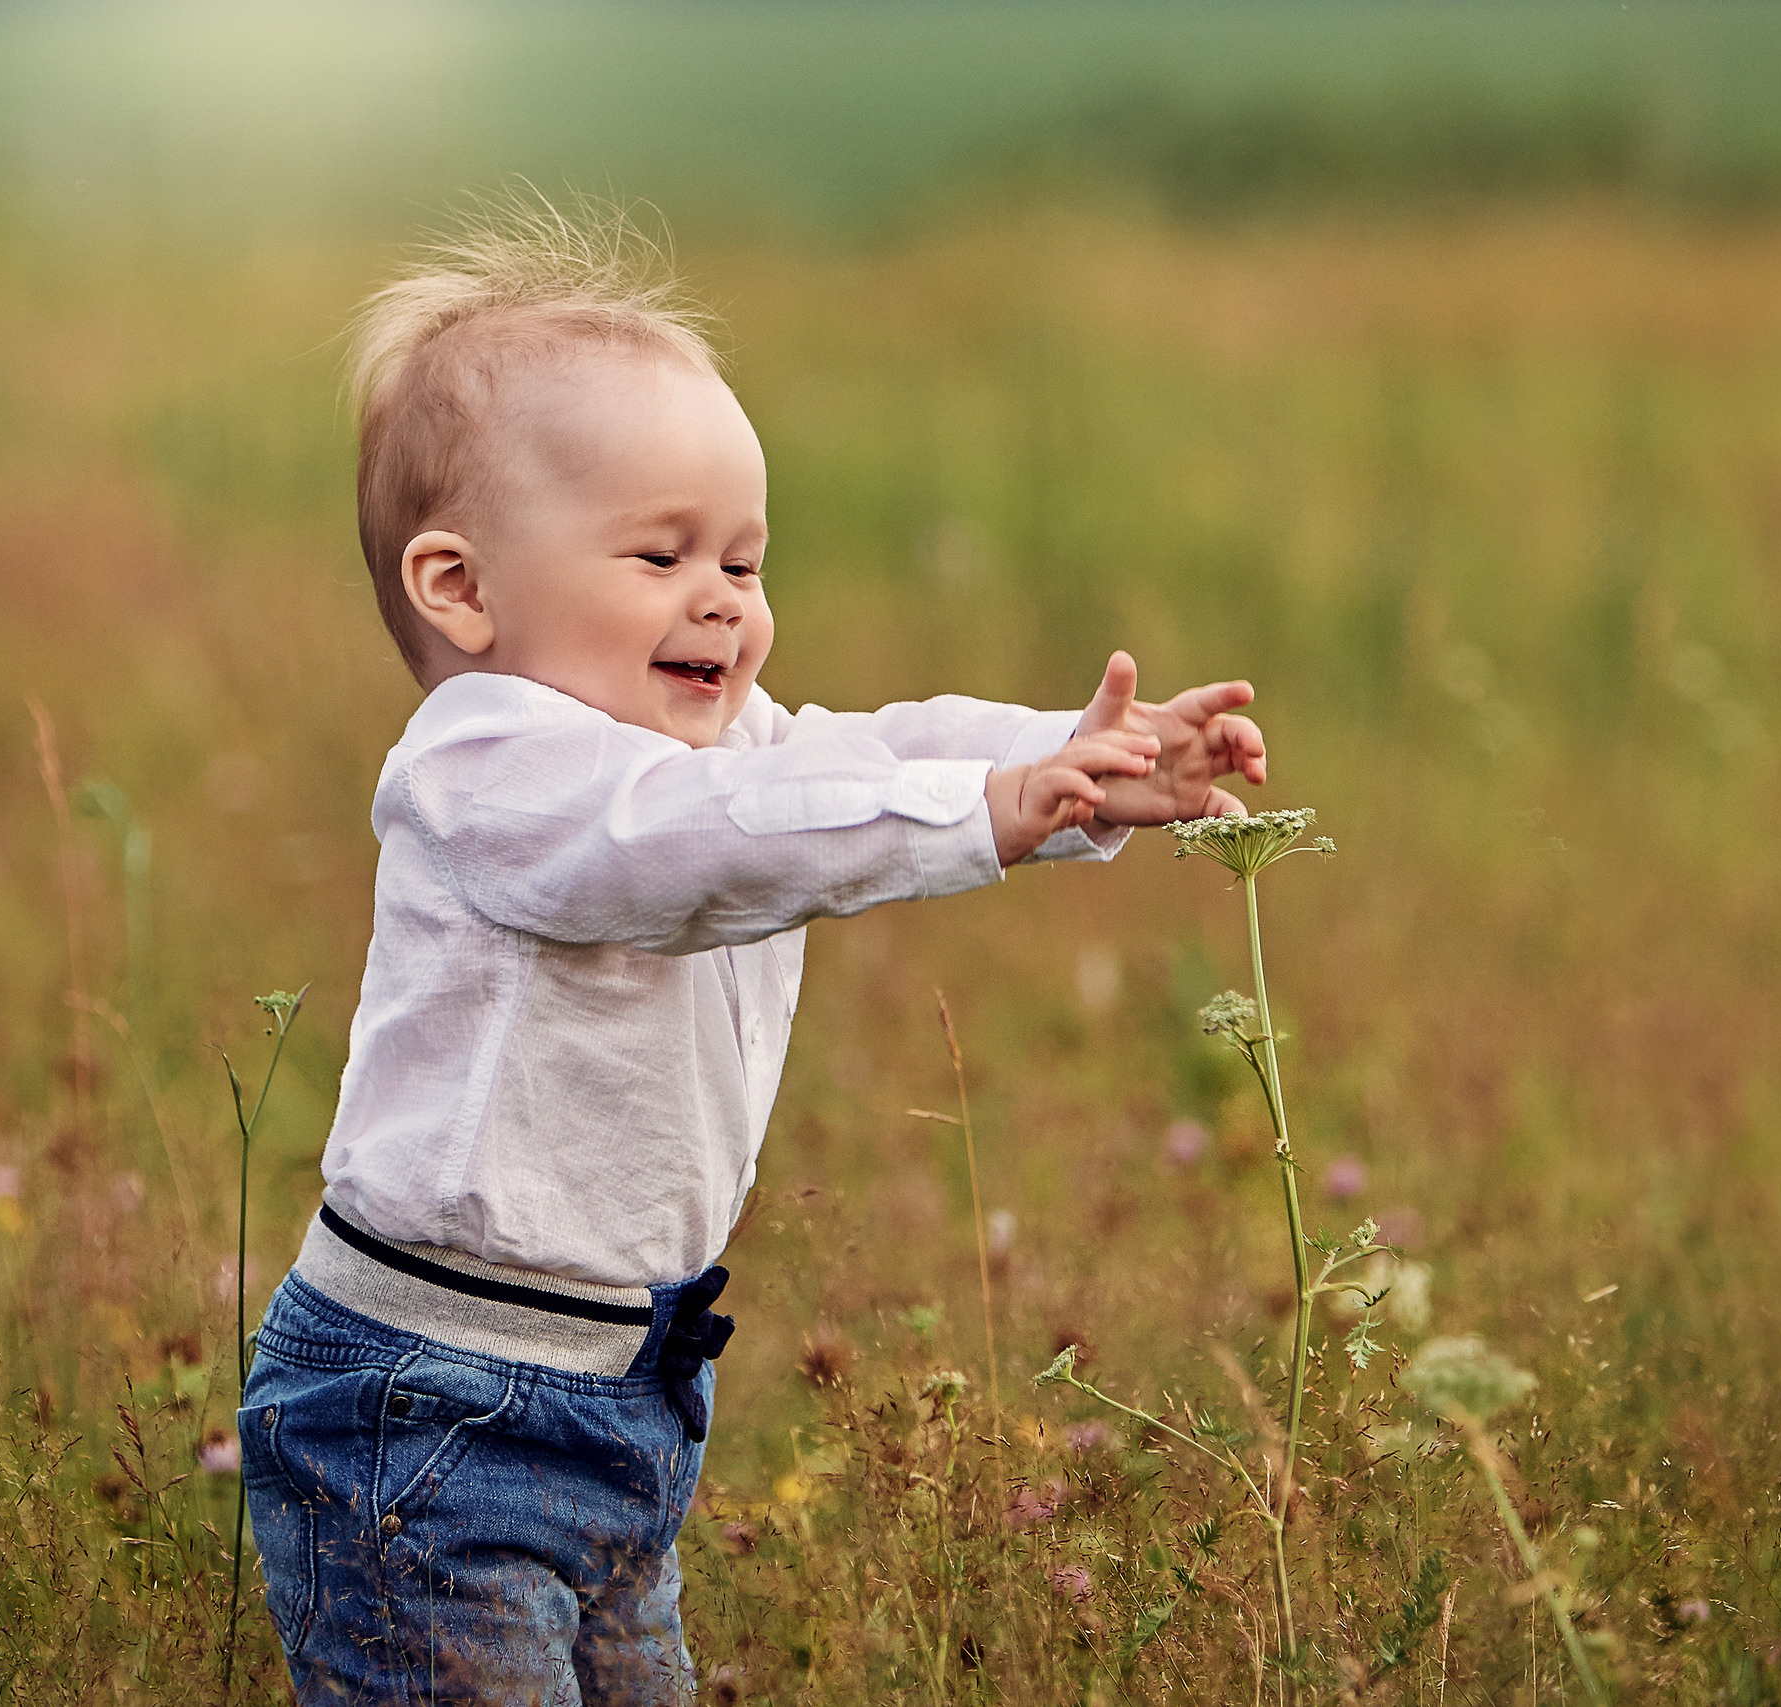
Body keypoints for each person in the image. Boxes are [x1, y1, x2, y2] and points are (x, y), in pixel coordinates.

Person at [236, 196, 1268, 1704]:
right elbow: (697, 842)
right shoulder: (491, 768)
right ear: (459, 589)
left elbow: (854, 750)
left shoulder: (712, 747)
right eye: (659, 555)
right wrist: (976, 814)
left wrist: (1074, 763)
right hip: (430, 1416)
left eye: (745, 558)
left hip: (624, 1397)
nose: (724, 599)